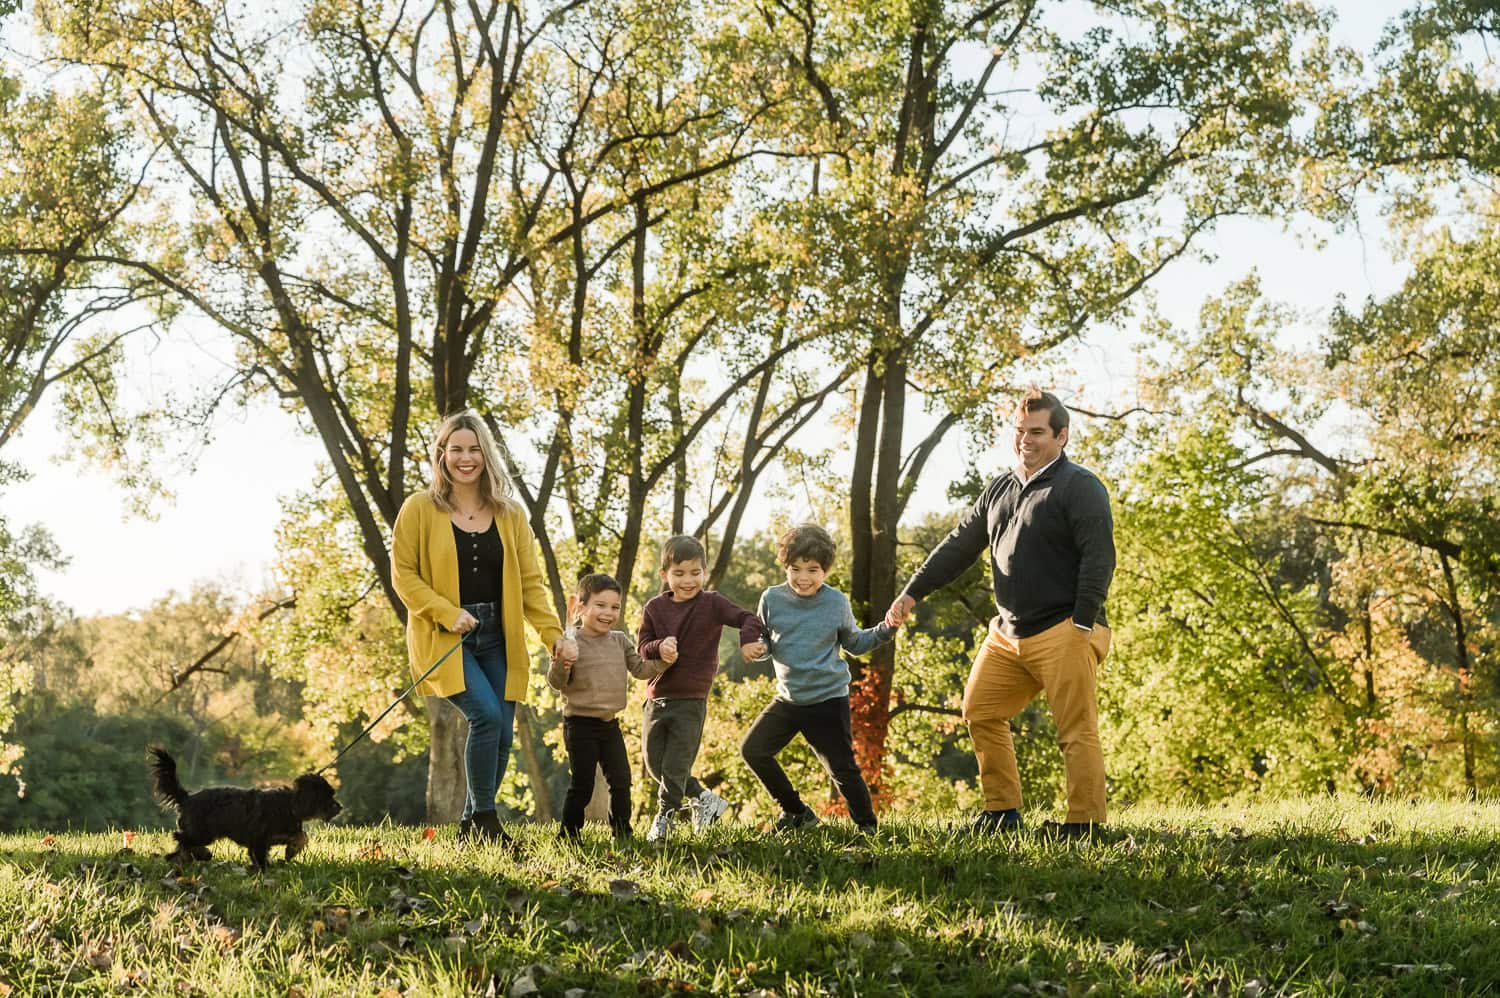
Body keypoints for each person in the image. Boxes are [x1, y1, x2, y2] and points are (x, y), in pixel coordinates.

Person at [886, 388, 1115, 838]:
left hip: (1065, 627)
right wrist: (913, 592)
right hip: (1007, 634)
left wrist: (1082, 622)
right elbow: (959, 545)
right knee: (980, 710)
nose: (1025, 440)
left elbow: (1099, 557)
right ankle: (1003, 812)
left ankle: (1084, 823)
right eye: (1019, 431)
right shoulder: (1001, 488)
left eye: (1037, 432)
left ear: (1061, 436)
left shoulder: (1079, 487)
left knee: (1075, 728)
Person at [392, 411, 577, 845]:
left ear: (486, 455)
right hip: (447, 634)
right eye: (456, 449)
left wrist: (554, 636)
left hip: (500, 635)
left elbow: (530, 584)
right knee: (486, 716)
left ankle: (471, 825)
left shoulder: (510, 515)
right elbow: (404, 575)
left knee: (502, 732)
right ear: (442, 454)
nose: (465, 458)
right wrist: (444, 611)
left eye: (474, 449)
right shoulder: (420, 508)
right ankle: (488, 822)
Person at [742, 524, 894, 832]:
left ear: (824, 570)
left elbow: (854, 644)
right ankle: (796, 811)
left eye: (812, 570)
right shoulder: (771, 598)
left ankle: (867, 827)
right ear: (785, 567)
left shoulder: (835, 602)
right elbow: (770, 642)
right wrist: (759, 648)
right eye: (795, 569)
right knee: (753, 750)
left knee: (842, 769)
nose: (803, 578)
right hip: (788, 699)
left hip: (827, 700)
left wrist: (886, 628)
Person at [637, 535, 766, 842]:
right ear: (664, 575)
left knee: (676, 764)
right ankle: (704, 799)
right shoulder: (655, 608)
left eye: (695, 572)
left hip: (691, 701)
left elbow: (749, 618)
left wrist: (748, 640)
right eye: (679, 573)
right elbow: (642, 647)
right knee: (656, 765)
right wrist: (660, 646)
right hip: (657, 697)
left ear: (705, 572)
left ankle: (663, 820)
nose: (688, 580)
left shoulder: (712, 604)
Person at [547, 573, 664, 842]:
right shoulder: (571, 642)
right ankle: (568, 834)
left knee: (621, 780)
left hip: (610, 725)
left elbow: (640, 669)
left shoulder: (619, 640)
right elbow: (556, 683)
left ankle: (622, 832)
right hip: (579, 725)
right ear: (581, 607)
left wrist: (664, 662)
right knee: (583, 784)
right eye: (600, 605)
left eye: (615, 607)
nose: (608, 613)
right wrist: (562, 662)